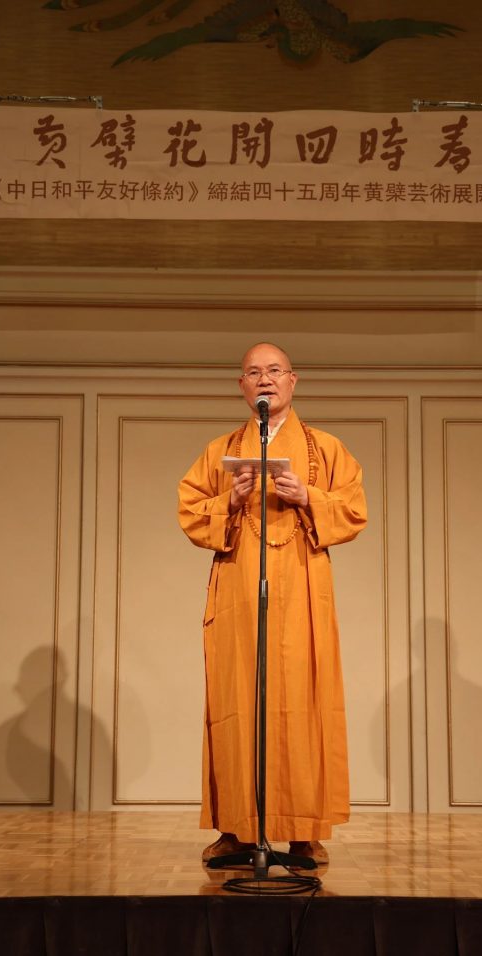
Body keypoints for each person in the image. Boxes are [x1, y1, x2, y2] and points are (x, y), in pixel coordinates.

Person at [178, 343, 367, 864]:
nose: (265, 379)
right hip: (240, 585)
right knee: (238, 700)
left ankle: (305, 830)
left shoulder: (325, 449)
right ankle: (237, 829)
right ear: (242, 386)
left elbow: (354, 510)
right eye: (254, 372)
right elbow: (190, 511)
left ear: (293, 380)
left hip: (303, 585)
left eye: (275, 371)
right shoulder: (221, 450)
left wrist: (308, 496)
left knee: (306, 700)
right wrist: (231, 499)